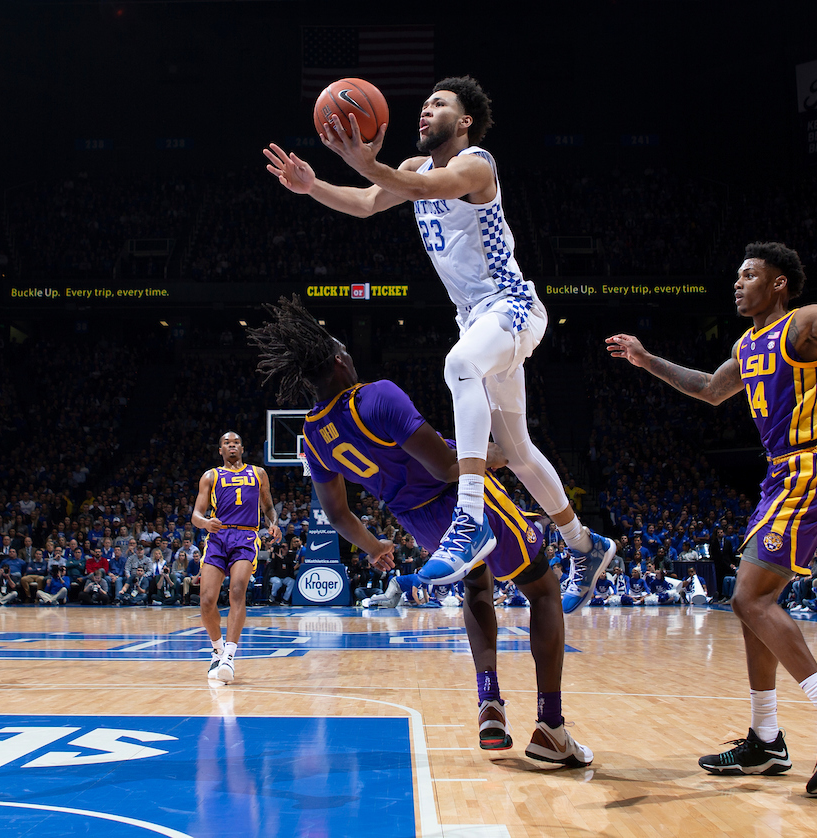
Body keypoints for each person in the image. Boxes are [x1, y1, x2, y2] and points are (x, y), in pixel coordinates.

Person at [263, 77, 614, 604]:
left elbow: (426, 190)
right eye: (423, 105)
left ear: (465, 119)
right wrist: (312, 186)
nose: (425, 112)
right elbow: (365, 203)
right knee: (517, 452)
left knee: (459, 367)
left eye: (439, 105)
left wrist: (365, 163)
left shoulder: (477, 164)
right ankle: (584, 544)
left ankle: (469, 517)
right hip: (475, 320)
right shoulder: (408, 169)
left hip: (511, 306)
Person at [607, 238, 817, 795]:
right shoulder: (748, 343)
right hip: (778, 477)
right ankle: (766, 738)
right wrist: (645, 358)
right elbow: (706, 389)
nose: (737, 282)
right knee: (748, 604)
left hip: (808, 468)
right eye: (737, 274)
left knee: (752, 599)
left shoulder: (805, 323)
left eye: (748, 274)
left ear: (777, 283)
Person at [248, 296, 593, 765]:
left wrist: (375, 546)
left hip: (417, 520)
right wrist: (499, 455)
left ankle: (489, 703)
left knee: (476, 586)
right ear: (338, 361)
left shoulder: (311, 435)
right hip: (460, 500)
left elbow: (337, 514)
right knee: (545, 590)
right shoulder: (376, 395)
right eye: (346, 351)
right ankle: (551, 727)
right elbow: (449, 465)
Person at [192, 431, 282, 684]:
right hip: (218, 537)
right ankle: (217, 650)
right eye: (226, 443)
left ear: (242, 448)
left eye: (236, 443)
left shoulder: (258, 473)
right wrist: (205, 523)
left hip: (245, 536)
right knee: (207, 600)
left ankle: (229, 656)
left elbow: (268, 508)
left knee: (237, 590)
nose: (231, 446)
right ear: (220, 450)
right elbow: (196, 515)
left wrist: (273, 524)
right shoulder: (210, 476)